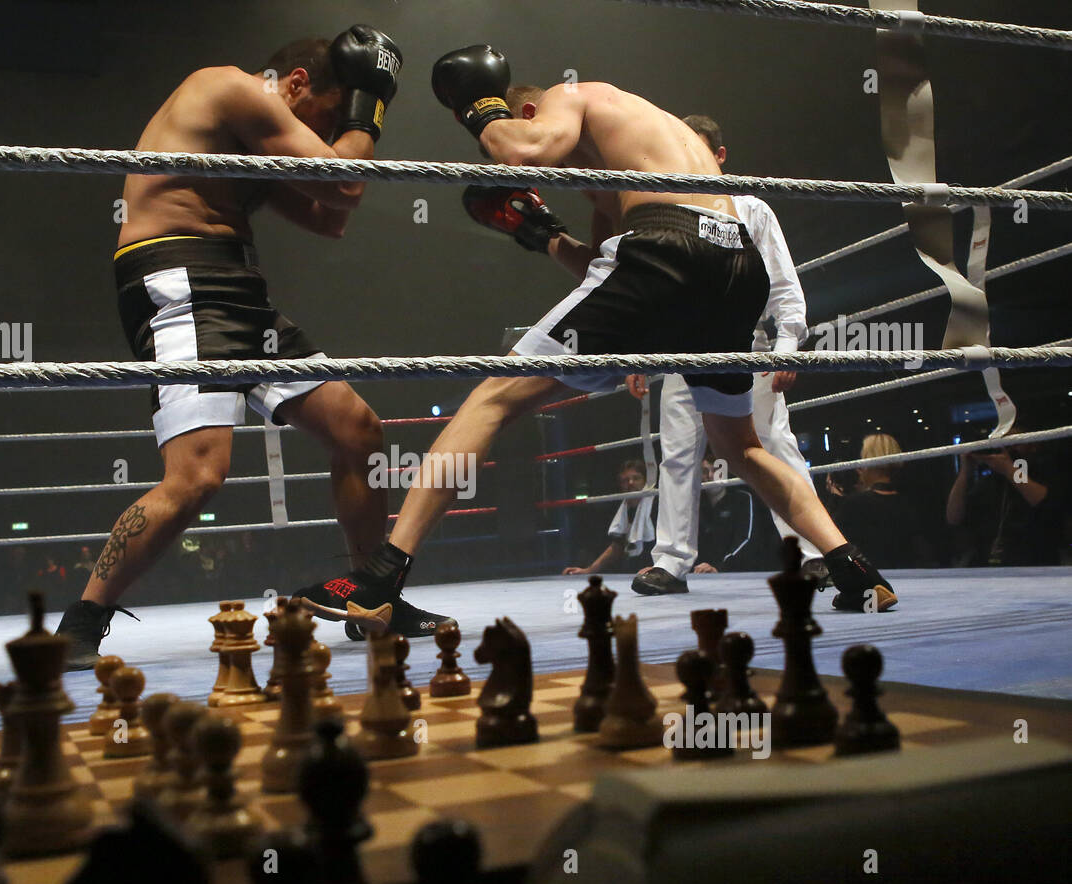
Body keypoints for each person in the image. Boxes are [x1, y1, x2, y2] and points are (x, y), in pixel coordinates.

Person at [293, 48, 896, 630]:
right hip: (733, 265)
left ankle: (380, 577)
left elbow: (524, 152)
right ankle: (856, 569)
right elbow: (604, 266)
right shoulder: (641, 144)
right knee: (743, 447)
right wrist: (540, 232)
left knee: (494, 397)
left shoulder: (570, 97)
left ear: (530, 110)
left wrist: (479, 107)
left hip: (668, 247)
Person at [55, 28, 451, 670]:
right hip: (180, 278)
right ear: (295, 85)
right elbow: (344, 183)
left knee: (358, 432)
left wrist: (353, 117)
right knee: (198, 475)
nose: (323, 138)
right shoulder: (230, 87)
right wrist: (369, 104)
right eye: (326, 116)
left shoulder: (252, 148)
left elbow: (332, 216)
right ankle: (81, 622)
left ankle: (367, 598)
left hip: (238, 288)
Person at [630, 115, 827, 596]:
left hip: (749, 346)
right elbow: (651, 291)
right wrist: (638, 354)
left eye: (697, 150)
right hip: (682, 350)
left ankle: (812, 553)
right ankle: (671, 562)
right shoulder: (666, 211)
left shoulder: (751, 210)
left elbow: (785, 287)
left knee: (775, 446)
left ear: (719, 156)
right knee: (676, 454)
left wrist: (786, 350)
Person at [946, 430, 1065, 566]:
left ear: (1033, 445)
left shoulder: (1044, 472)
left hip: (1035, 562)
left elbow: (1046, 505)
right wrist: (965, 472)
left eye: (1014, 442)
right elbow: (953, 517)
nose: (1008, 448)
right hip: (989, 565)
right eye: (1004, 443)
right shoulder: (989, 482)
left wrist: (1009, 470)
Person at [826, 433, 927, 569]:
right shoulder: (909, 501)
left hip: (871, 578)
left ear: (867, 462)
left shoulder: (854, 505)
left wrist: (836, 499)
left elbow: (831, 540)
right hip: (910, 573)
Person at [562, 460, 656, 575]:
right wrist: (588, 570)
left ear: (645, 482)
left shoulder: (657, 506)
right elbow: (617, 546)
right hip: (633, 573)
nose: (630, 483)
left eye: (636, 478)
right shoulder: (623, 511)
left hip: (657, 572)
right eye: (625, 480)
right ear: (620, 485)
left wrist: (659, 568)